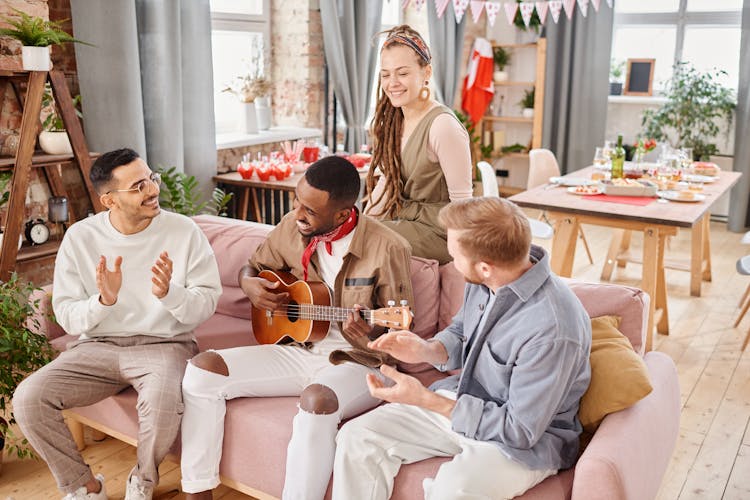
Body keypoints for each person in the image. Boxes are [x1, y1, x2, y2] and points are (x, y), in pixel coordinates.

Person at [180, 156, 414, 500]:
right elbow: (254, 267)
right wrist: (250, 286)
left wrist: (371, 335)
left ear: (342, 213)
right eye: (296, 202)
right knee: (203, 371)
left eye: (309, 210)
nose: (298, 214)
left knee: (316, 400)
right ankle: (198, 492)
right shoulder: (293, 225)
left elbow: (402, 328)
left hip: (358, 361)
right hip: (297, 348)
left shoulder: (388, 247)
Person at [332, 197, 592, 500]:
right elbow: (461, 330)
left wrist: (426, 399)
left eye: (454, 255)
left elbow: (519, 430)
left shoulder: (553, 329)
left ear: (484, 267)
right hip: (466, 399)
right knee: (358, 436)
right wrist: (426, 350)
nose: (451, 261)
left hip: (523, 442)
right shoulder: (487, 280)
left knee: (454, 489)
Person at [13, 148, 222, 500]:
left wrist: (169, 294)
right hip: (97, 346)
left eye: (151, 179)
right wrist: (103, 301)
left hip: (165, 345)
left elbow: (206, 303)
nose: (153, 190)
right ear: (109, 199)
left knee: (162, 405)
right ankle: (82, 486)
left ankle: (142, 482)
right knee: (28, 399)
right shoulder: (80, 239)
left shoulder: (184, 232)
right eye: (138, 186)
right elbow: (65, 314)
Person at [365, 24, 473, 265]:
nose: (392, 82)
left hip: (439, 230)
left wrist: (460, 255)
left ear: (426, 73)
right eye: (385, 74)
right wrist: (363, 221)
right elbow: (386, 182)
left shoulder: (442, 126)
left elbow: (463, 201)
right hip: (405, 219)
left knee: (368, 241)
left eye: (402, 73)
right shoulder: (395, 121)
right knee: (347, 233)